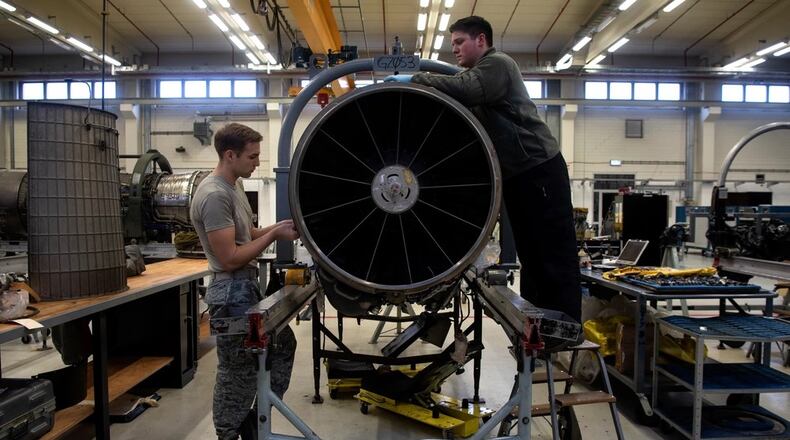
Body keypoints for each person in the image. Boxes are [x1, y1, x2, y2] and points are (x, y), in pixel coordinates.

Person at [386, 16, 581, 325]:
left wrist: (416, 79)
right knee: (531, 254)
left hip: (538, 169)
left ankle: (566, 324)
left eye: (459, 42)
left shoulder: (497, 65)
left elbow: (467, 90)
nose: (455, 49)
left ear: (481, 40)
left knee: (552, 252)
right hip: (517, 175)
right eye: (453, 44)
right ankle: (540, 326)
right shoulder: (478, 75)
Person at [190, 123, 300, 440]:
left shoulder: (234, 186)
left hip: (245, 288)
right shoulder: (214, 195)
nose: (256, 162)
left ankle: (255, 418)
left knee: (282, 345)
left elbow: (246, 234)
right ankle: (228, 433)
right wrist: (275, 237)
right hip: (230, 293)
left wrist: (277, 227)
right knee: (236, 369)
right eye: (252, 157)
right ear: (230, 155)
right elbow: (230, 257)